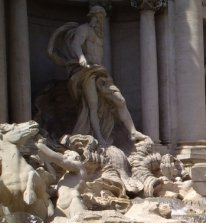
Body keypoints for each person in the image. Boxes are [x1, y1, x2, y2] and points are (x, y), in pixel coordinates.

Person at [47, 6, 147, 146]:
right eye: (98, 17)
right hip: (85, 71)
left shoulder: (98, 35)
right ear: (92, 16)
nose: (100, 21)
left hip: (100, 72)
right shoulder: (84, 29)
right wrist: (81, 57)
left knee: (120, 100)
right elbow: (76, 43)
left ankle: (132, 131)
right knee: (92, 106)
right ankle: (99, 137)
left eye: (101, 18)